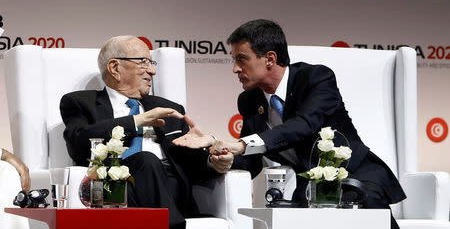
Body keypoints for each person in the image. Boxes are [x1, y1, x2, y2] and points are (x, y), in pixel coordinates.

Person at [173, 19, 406, 229]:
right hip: (311, 186)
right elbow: (253, 160)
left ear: (270, 59)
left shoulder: (315, 78)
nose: (235, 69)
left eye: (241, 59)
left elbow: (303, 125)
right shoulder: (249, 100)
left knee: (364, 209)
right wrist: (227, 156)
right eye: (233, 60)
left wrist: (241, 144)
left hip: (357, 175)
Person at [60, 35, 233, 229]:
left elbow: (187, 161)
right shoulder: (81, 102)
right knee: (146, 160)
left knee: (148, 165)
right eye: (143, 62)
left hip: (168, 188)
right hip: (114, 187)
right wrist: (137, 120)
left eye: (151, 63)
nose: (152, 71)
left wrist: (213, 162)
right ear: (115, 68)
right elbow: (78, 143)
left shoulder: (169, 108)